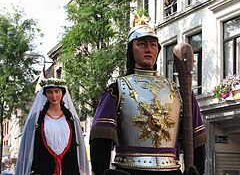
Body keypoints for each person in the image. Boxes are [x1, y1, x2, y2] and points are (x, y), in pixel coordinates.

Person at [90, 24, 206, 175]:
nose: (148, 49)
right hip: (130, 170)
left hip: (171, 171)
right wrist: (103, 172)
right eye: (142, 44)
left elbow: (196, 139)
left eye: (153, 45)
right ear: (131, 49)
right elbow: (101, 139)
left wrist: (196, 170)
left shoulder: (179, 92)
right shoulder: (117, 89)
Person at [16, 78, 90, 175]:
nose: (54, 96)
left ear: (62, 93)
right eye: (49, 92)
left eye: (57, 91)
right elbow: (28, 144)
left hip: (68, 166)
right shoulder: (36, 118)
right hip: (44, 166)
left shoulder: (71, 118)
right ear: (45, 95)